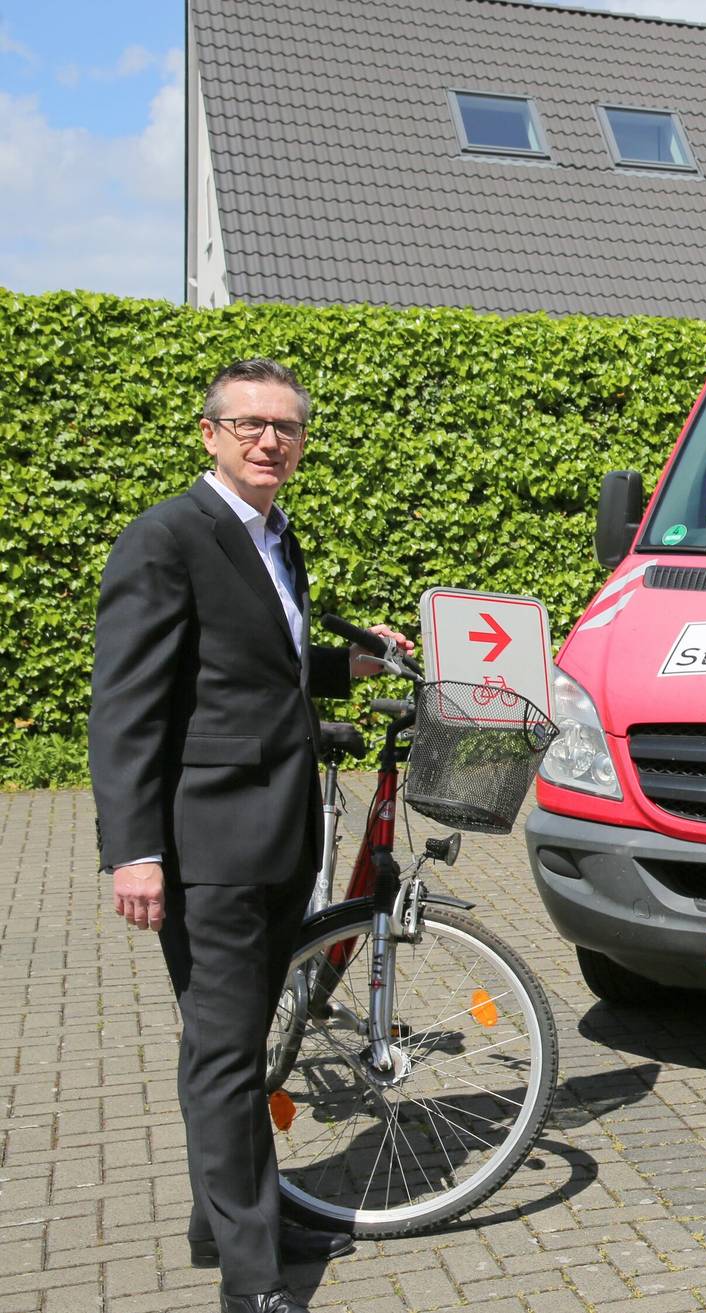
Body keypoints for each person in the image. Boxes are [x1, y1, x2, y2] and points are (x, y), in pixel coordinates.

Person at [89, 359, 414, 1313]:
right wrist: (133, 850)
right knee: (227, 1052)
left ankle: (229, 1211)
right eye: (249, 425)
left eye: (285, 427)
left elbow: (260, 661)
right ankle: (253, 1275)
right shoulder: (166, 537)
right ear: (210, 434)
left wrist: (345, 664)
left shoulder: (276, 536)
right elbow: (127, 707)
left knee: (239, 1043)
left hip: (281, 835)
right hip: (209, 844)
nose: (269, 440)